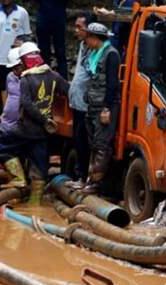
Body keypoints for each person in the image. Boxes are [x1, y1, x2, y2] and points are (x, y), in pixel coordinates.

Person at [13, 41, 68, 203]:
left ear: (24, 61)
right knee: (40, 166)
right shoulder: (53, 76)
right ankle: (34, 204)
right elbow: (68, 91)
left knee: (6, 150)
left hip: (25, 130)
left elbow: (26, 104)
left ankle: (20, 185)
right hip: (43, 132)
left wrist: (43, 120)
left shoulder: (26, 80)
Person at [72, 23, 121, 194]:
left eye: (89, 39)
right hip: (92, 104)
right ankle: (89, 179)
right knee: (92, 143)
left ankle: (96, 183)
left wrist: (107, 108)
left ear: (95, 38)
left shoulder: (111, 54)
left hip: (104, 105)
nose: (87, 42)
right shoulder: (93, 54)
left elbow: (113, 85)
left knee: (101, 144)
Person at [64, 12, 97, 188]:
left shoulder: (97, 51)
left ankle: (84, 178)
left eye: (80, 27)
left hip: (87, 105)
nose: (76, 30)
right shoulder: (83, 46)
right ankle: (80, 177)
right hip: (76, 103)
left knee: (86, 141)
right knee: (78, 139)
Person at [0, 0, 31, 116]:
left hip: (17, 58)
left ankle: (21, 113)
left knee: (19, 85)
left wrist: (21, 43)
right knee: (2, 85)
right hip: (0, 57)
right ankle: (4, 113)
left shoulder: (22, 13)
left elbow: (27, 35)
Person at [0, 47, 26, 188]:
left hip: (20, 124)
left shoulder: (29, 79)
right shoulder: (10, 77)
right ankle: (15, 180)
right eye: (12, 68)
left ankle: (19, 178)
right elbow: (7, 94)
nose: (14, 70)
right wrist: (3, 112)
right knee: (7, 151)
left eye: (16, 67)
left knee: (5, 150)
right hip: (7, 122)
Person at [36, 0, 68, 79]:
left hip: (58, 16)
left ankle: (63, 81)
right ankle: (44, 79)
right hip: (43, 15)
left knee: (60, 51)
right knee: (43, 52)